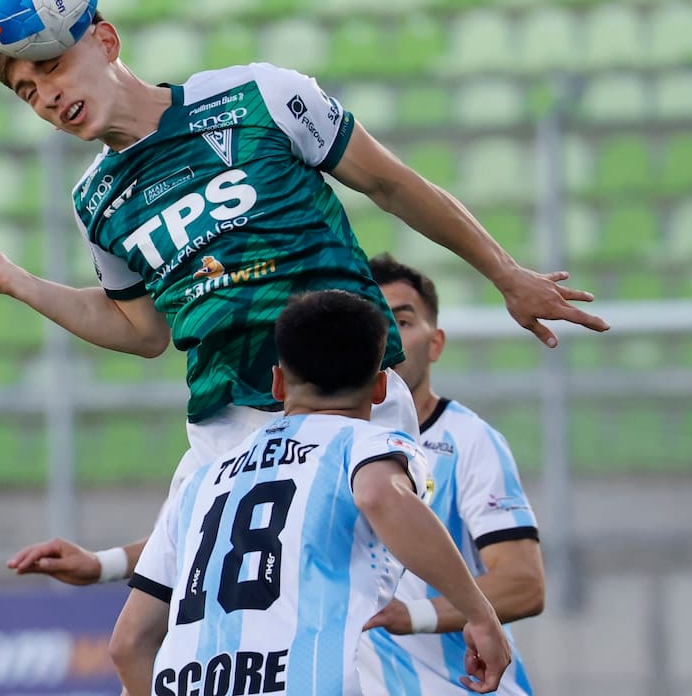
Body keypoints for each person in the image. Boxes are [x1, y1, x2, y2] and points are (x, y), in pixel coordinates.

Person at [0, 9, 608, 583]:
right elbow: (142, 330)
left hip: (337, 395)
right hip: (224, 425)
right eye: (28, 92)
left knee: (321, 596)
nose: (47, 97)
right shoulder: (96, 199)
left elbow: (391, 183)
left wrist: (504, 272)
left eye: (52, 67)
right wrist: (17, 281)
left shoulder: (259, 96)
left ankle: (470, 622)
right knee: (133, 646)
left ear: (107, 41)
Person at [108, 290, 511, 695]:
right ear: (380, 388)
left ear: (278, 383)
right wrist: (478, 612)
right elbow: (378, 495)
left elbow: (128, 644)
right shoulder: (366, 445)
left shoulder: (203, 478)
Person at [358, 254, 544, 695]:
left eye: (401, 321)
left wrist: (415, 615)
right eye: (372, 322)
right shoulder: (324, 447)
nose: (387, 340)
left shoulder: (469, 440)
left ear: (435, 342)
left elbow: (524, 584)